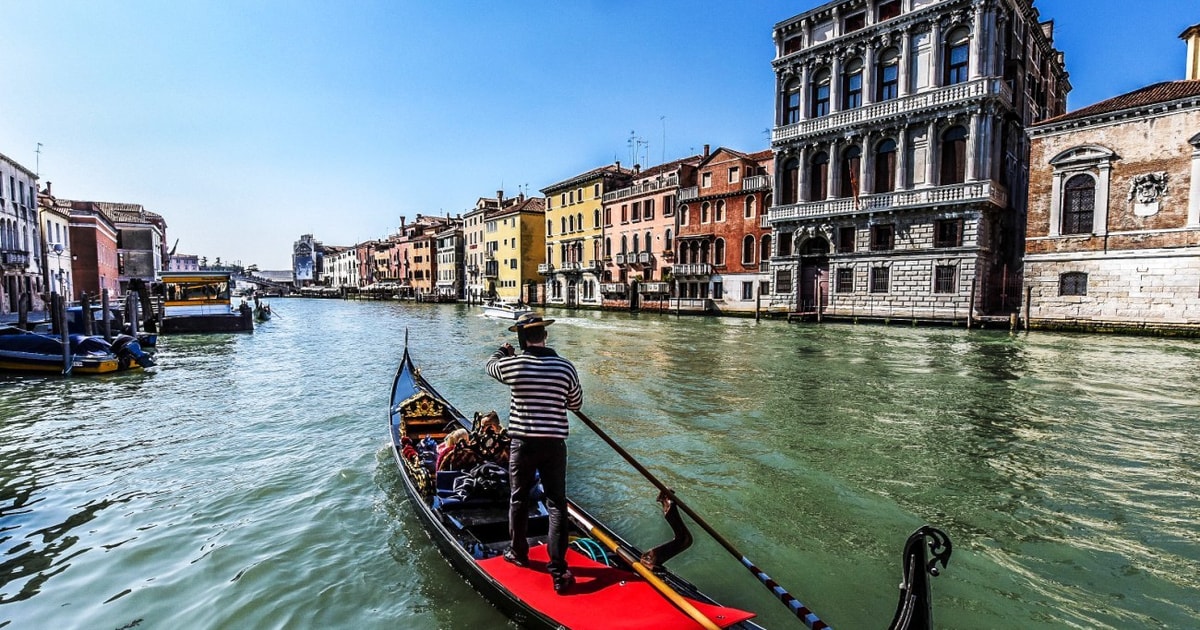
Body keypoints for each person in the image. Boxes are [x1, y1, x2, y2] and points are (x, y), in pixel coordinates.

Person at [486, 312, 582, 595]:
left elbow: (490, 366)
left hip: (523, 443)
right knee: (556, 504)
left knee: (518, 498)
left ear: (522, 338)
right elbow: (575, 403)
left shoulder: (513, 365)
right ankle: (559, 570)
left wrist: (502, 352)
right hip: (554, 444)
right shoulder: (566, 367)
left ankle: (518, 552)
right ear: (545, 336)